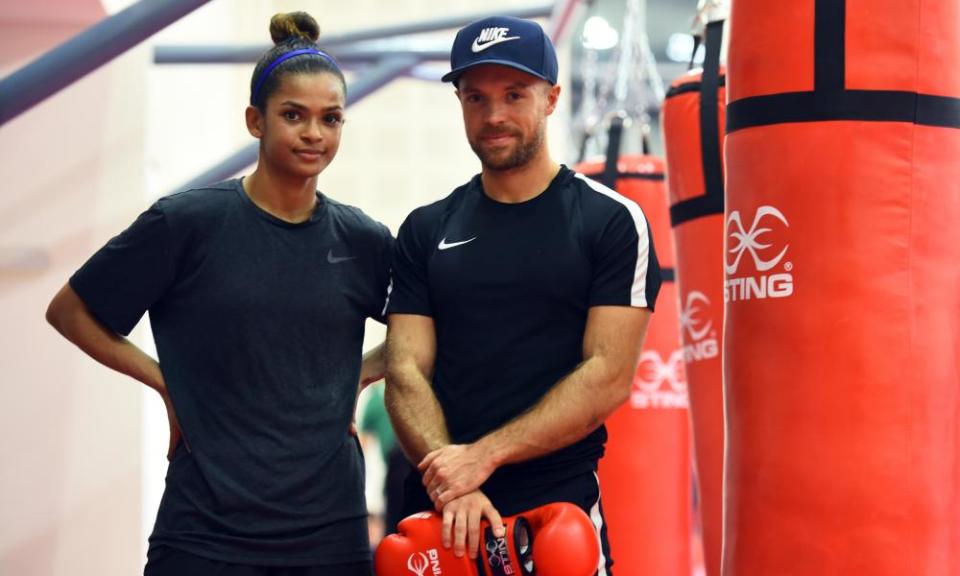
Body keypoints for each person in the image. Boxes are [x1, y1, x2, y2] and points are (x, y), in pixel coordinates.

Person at [45, 12, 391, 576]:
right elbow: (71, 310)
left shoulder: (362, 239)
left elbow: (422, 324)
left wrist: (363, 371)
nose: (314, 134)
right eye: (293, 116)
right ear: (255, 120)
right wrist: (165, 383)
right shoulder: (186, 224)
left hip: (330, 533)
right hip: (205, 532)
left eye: (331, 119)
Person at [383, 15, 661, 576]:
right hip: (444, 517)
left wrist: (480, 460)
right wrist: (454, 484)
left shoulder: (609, 221)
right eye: (476, 97)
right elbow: (405, 368)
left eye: (515, 94)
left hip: (557, 519)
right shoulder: (425, 228)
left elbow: (608, 374)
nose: (494, 116)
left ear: (552, 97)